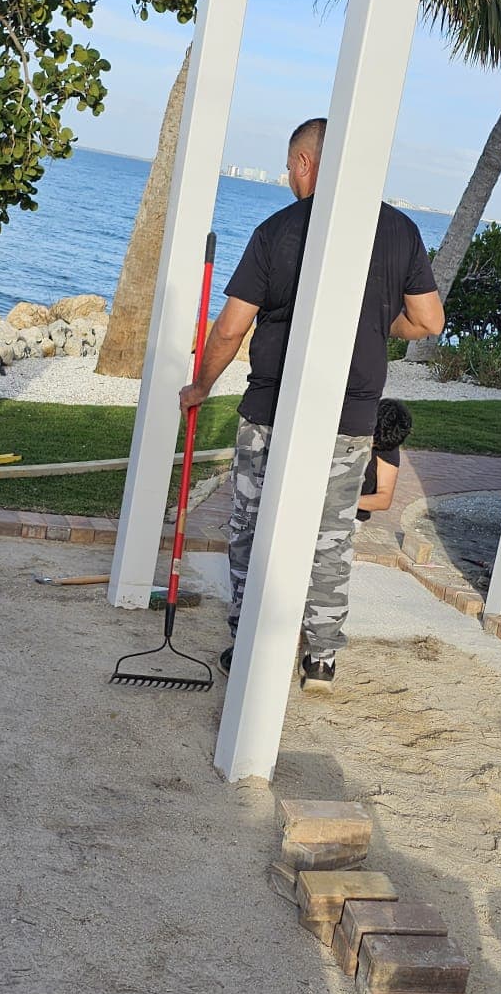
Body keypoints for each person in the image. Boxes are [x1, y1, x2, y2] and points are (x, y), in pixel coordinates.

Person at [180, 116, 444, 690]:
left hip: (272, 410)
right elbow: (428, 320)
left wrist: (200, 386)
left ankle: (246, 641)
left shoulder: (278, 229)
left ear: (305, 164)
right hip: (351, 416)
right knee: (331, 533)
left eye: (289, 166)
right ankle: (321, 656)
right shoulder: (400, 230)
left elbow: (229, 329)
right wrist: (380, 321)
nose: (288, 177)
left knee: (251, 522)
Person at [356, 398, 413, 522]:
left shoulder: (388, 444)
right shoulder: (352, 423)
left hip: (350, 513)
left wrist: (341, 503)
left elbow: (384, 499)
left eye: (376, 445)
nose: (371, 444)